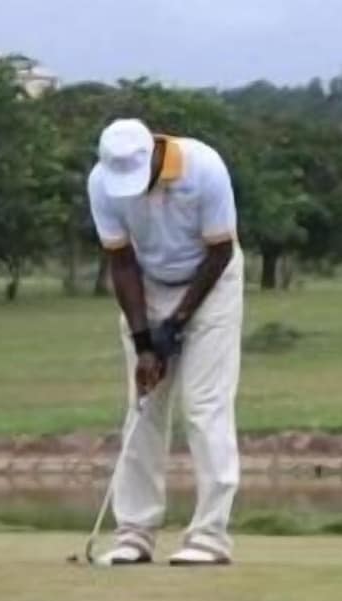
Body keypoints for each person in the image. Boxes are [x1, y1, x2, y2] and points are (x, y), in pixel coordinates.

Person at [87, 119, 243, 567]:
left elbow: (220, 252)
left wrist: (175, 324)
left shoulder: (204, 167)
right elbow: (121, 263)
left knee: (204, 405)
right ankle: (134, 534)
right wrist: (144, 343)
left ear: (156, 153)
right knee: (143, 407)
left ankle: (210, 536)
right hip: (148, 286)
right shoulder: (102, 183)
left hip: (211, 283)